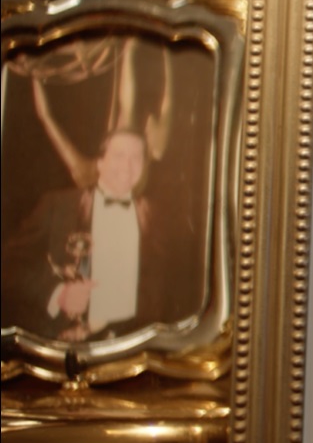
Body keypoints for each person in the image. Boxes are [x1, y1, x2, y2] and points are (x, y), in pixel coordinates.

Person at [1, 129, 188, 342]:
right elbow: (9, 265)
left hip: (137, 346)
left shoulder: (158, 218)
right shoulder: (59, 207)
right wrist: (58, 293)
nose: (127, 166)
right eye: (119, 155)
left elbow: (171, 288)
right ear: (100, 163)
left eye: (136, 158)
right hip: (70, 344)